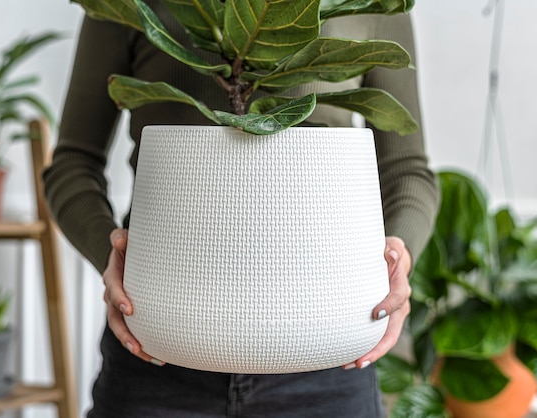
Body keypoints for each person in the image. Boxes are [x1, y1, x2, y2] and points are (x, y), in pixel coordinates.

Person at [43, 2, 439, 417]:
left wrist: (398, 255)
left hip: (327, 356)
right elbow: (73, 164)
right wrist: (109, 253)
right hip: (158, 350)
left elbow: (407, 171)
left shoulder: (373, 5)